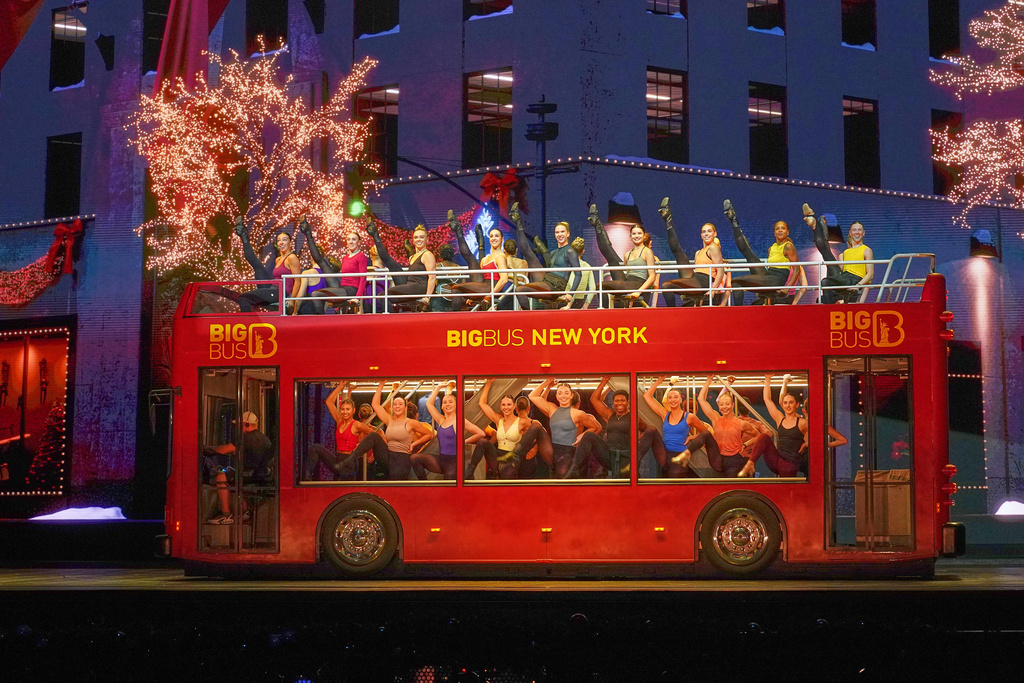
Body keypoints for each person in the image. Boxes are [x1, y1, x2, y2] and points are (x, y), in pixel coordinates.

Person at [340, 381, 435, 480]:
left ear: (405, 407)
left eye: (400, 404)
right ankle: (349, 459)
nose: (397, 406)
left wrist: (414, 444)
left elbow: (429, 434)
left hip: (402, 459)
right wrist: (381, 384)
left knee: (395, 486)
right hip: (388, 455)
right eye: (395, 404)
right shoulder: (389, 420)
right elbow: (375, 404)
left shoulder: (411, 423)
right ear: (393, 407)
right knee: (374, 436)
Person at [670, 376, 761, 477]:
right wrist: (709, 380)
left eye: (727, 404)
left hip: (733, 461)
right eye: (721, 405)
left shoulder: (741, 423)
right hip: (717, 458)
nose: (724, 407)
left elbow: (758, 435)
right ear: (718, 406)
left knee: (729, 486)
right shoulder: (716, 418)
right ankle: (686, 454)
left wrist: (744, 445)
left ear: (732, 405)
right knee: (705, 433)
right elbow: (701, 399)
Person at [513, 379, 602, 479]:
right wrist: (548, 382)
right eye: (560, 393)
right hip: (552, 449)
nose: (563, 396)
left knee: (560, 478)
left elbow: (596, 427)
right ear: (556, 396)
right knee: (536, 426)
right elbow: (532, 396)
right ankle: (515, 454)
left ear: (571, 395)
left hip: (567, 451)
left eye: (566, 393)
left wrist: (583, 435)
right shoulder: (552, 409)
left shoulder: (578, 414)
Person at [722, 199, 801, 305]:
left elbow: (797, 270)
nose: (780, 230)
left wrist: (786, 288)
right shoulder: (771, 248)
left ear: (788, 232)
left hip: (777, 280)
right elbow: (747, 248)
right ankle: (734, 221)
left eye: (783, 228)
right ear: (774, 233)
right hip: (768, 274)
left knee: (736, 280)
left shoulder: (788, 247)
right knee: (746, 255)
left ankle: (738, 315)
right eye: (777, 229)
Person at [204, 410, 273, 524]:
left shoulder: (246, 438)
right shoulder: (265, 439)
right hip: (259, 474)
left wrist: (207, 448)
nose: (239, 428)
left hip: (249, 474)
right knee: (231, 473)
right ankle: (244, 511)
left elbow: (223, 450)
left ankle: (226, 514)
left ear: (247, 424)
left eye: (240, 425)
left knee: (221, 476)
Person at [303, 381, 380, 481]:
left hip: (350, 462)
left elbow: (375, 436)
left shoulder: (356, 424)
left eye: (348, 409)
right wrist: (340, 386)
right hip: (338, 459)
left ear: (353, 411)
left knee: (346, 491)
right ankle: (307, 478)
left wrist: (371, 452)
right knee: (315, 448)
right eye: (342, 409)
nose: (344, 412)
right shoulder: (339, 420)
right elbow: (329, 402)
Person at [412, 382, 485, 480]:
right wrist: (438, 387)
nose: (447, 404)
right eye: (445, 402)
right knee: (414, 458)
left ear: (456, 404)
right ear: (442, 406)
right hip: (441, 460)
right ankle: (426, 487)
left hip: (454, 462)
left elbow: (481, 433)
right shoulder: (441, 420)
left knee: (449, 485)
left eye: (450, 402)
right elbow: (429, 404)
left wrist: (464, 442)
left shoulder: (460, 420)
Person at [803, 205, 874, 304]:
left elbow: (870, 274)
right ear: (850, 233)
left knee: (827, 258)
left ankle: (815, 222)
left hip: (855, 279)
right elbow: (836, 272)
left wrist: (858, 286)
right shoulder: (844, 253)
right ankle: (814, 224)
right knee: (826, 278)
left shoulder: (866, 250)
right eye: (854, 230)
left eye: (859, 230)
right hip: (844, 277)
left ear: (863, 233)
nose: (857, 233)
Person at [466, 378, 535, 479]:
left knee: (505, 482)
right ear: (500, 406)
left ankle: (500, 477)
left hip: (512, 458)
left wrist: (535, 449)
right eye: (503, 405)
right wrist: (488, 384)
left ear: (514, 406)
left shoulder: (522, 421)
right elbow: (482, 403)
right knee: (482, 442)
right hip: (498, 456)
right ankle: (469, 472)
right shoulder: (498, 420)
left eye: (509, 404)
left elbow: (539, 431)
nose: (506, 407)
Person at [745, 374, 810, 478]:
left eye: (791, 403)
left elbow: (818, 436)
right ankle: (750, 463)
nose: (788, 405)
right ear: (783, 405)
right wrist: (767, 379)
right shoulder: (780, 418)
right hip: (777, 461)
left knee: (786, 490)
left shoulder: (802, 423)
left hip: (790, 464)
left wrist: (808, 443)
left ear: (797, 405)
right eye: (785, 403)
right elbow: (767, 399)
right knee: (764, 437)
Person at [298, 219, 368, 314]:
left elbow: (363, 278)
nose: (351, 242)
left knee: (316, 294)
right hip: (342, 287)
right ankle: (308, 234)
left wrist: (358, 298)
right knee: (321, 263)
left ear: (359, 242)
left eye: (354, 239)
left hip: (352, 290)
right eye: (349, 239)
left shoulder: (361, 256)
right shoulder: (345, 258)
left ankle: (321, 322)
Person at [366, 219, 437, 311]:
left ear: (427, 240)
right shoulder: (413, 257)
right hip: (410, 283)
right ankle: (376, 236)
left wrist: (427, 297)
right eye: (416, 237)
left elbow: (432, 277)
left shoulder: (427, 255)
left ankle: (392, 322)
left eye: (421, 237)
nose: (418, 239)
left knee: (382, 296)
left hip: (420, 286)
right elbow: (388, 260)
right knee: (390, 263)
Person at [642, 376, 704, 478]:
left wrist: (691, 437)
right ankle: (635, 460)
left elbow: (705, 433)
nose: (672, 400)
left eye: (675, 397)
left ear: (680, 399)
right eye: (670, 397)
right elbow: (647, 396)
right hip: (665, 455)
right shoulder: (665, 414)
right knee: (651, 430)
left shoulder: (689, 417)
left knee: (675, 483)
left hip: (680, 455)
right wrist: (660, 380)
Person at [570, 376, 631, 478]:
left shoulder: (633, 417)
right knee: (589, 435)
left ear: (628, 402)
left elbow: (644, 430)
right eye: (616, 401)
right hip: (609, 456)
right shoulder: (609, 414)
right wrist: (604, 382)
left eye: (622, 400)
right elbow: (594, 399)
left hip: (625, 457)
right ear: (613, 403)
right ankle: (575, 470)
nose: (619, 403)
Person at [559, 237, 596, 309]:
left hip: (566, 301)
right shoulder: (588, 266)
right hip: (580, 302)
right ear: (583, 251)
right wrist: (585, 306)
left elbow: (574, 285)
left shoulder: (569, 265)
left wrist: (568, 305)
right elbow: (592, 288)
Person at [271, 230, 303, 313]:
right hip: (273, 289)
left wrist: (292, 299)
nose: (281, 242)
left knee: (248, 297)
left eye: (284, 240)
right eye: (279, 240)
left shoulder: (291, 258)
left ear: (290, 243)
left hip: (281, 292)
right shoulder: (277, 259)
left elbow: (297, 281)